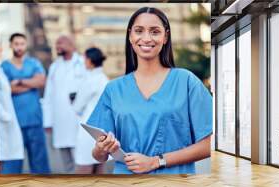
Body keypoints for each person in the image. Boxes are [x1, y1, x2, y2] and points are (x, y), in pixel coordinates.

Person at [88, 7, 213, 174]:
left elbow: (209, 145)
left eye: (155, 32)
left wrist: (156, 161)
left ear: (165, 37)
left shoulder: (186, 81)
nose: (146, 38)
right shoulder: (113, 89)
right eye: (139, 31)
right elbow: (99, 157)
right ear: (130, 36)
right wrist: (101, 148)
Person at [1, 33, 51, 174]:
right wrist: (31, 83)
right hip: (14, 121)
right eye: (16, 44)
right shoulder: (5, 66)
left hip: (34, 119)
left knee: (39, 161)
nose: (19, 47)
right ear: (11, 45)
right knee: (13, 160)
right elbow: (7, 89)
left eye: (22, 44)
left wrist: (20, 81)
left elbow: (41, 81)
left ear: (26, 45)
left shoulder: (33, 63)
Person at [42, 35, 85, 173]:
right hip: (59, 120)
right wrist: (47, 122)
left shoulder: (83, 63)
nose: (57, 46)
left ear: (72, 45)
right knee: (66, 161)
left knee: (82, 158)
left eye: (61, 43)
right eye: (56, 44)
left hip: (78, 119)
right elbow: (48, 96)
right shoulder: (54, 67)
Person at [72, 47, 109, 174]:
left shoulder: (90, 80)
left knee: (84, 169)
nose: (83, 61)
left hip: (88, 128)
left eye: (85, 58)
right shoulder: (104, 78)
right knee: (99, 168)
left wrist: (73, 102)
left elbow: (77, 107)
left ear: (90, 61)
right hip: (102, 128)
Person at [0, 42, 25, 174]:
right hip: (2, 122)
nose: (0, 49)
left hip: (5, 122)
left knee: (2, 159)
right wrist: (5, 116)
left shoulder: (0, 70)